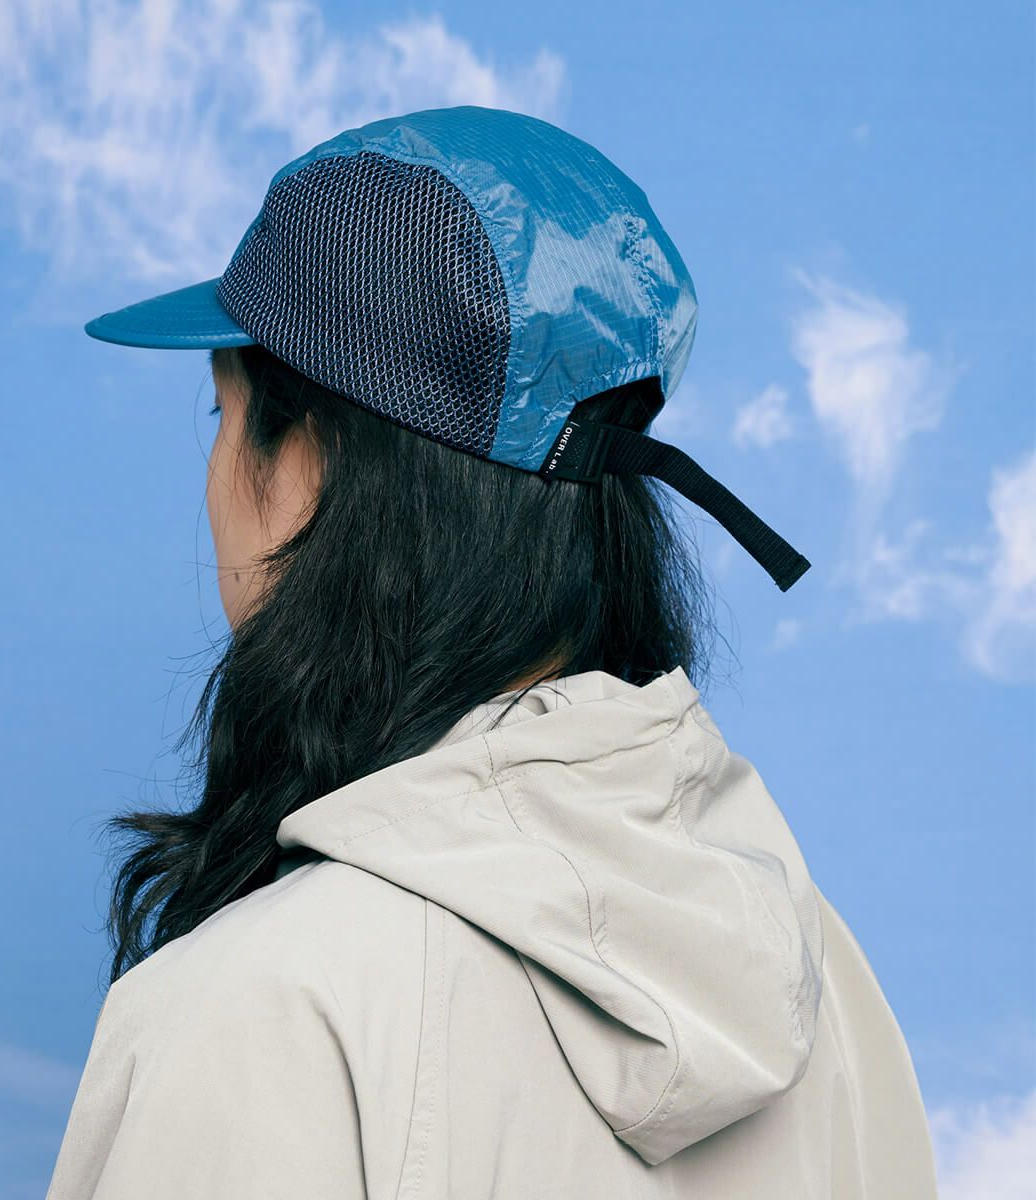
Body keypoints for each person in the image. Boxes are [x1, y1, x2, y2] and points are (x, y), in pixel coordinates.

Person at [46, 106, 939, 1198]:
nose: (212, 476)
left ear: (314, 466)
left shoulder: (263, 1009)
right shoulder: (824, 993)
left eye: (223, 415)